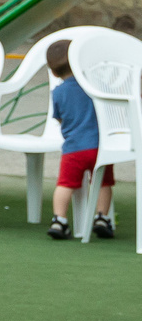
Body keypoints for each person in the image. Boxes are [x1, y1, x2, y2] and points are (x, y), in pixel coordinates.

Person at [47, 38, 116, 240]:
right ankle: (102, 217)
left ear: (53, 72)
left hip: (73, 149)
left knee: (65, 184)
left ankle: (59, 220)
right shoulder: (95, 86)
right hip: (99, 147)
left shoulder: (58, 92)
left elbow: (59, 118)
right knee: (103, 183)